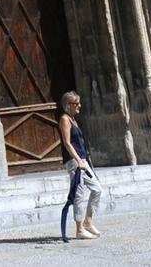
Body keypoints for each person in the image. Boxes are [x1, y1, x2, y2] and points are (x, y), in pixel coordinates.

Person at [56, 91, 101, 242]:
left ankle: (88, 221)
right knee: (79, 195)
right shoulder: (64, 119)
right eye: (77, 103)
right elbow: (67, 143)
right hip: (74, 162)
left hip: (82, 160)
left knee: (97, 189)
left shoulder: (73, 119)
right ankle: (79, 229)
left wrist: (84, 159)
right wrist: (78, 161)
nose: (79, 106)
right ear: (68, 105)